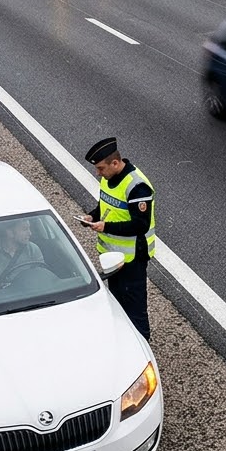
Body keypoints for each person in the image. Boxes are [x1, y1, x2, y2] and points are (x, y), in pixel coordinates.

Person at [83, 137, 155, 340]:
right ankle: (123, 340)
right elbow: (106, 206)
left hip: (132, 259)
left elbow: (141, 225)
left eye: (101, 168)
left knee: (134, 307)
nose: (98, 173)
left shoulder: (137, 186)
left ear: (115, 163)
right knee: (116, 301)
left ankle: (143, 345)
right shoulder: (109, 178)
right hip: (111, 256)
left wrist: (105, 226)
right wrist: (92, 216)